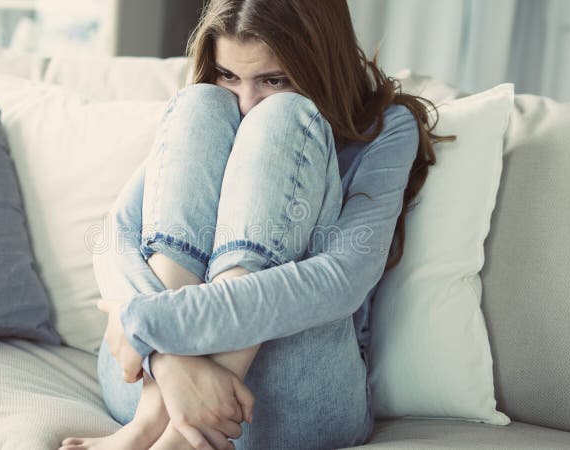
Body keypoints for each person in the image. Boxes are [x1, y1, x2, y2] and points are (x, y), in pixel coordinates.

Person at [60, 0, 452, 449]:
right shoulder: (214, 108)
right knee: (200, 103)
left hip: (293, 398)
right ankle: (157, 424)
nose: (245, 102)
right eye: (229, 74)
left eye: (274, 79)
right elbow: (114, 236)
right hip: (149, 381)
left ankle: (181, 439)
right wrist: (168, 360)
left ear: (321, 64)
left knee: (284, 115)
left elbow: (342, 279)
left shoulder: (388, 128)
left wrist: (147, 320)